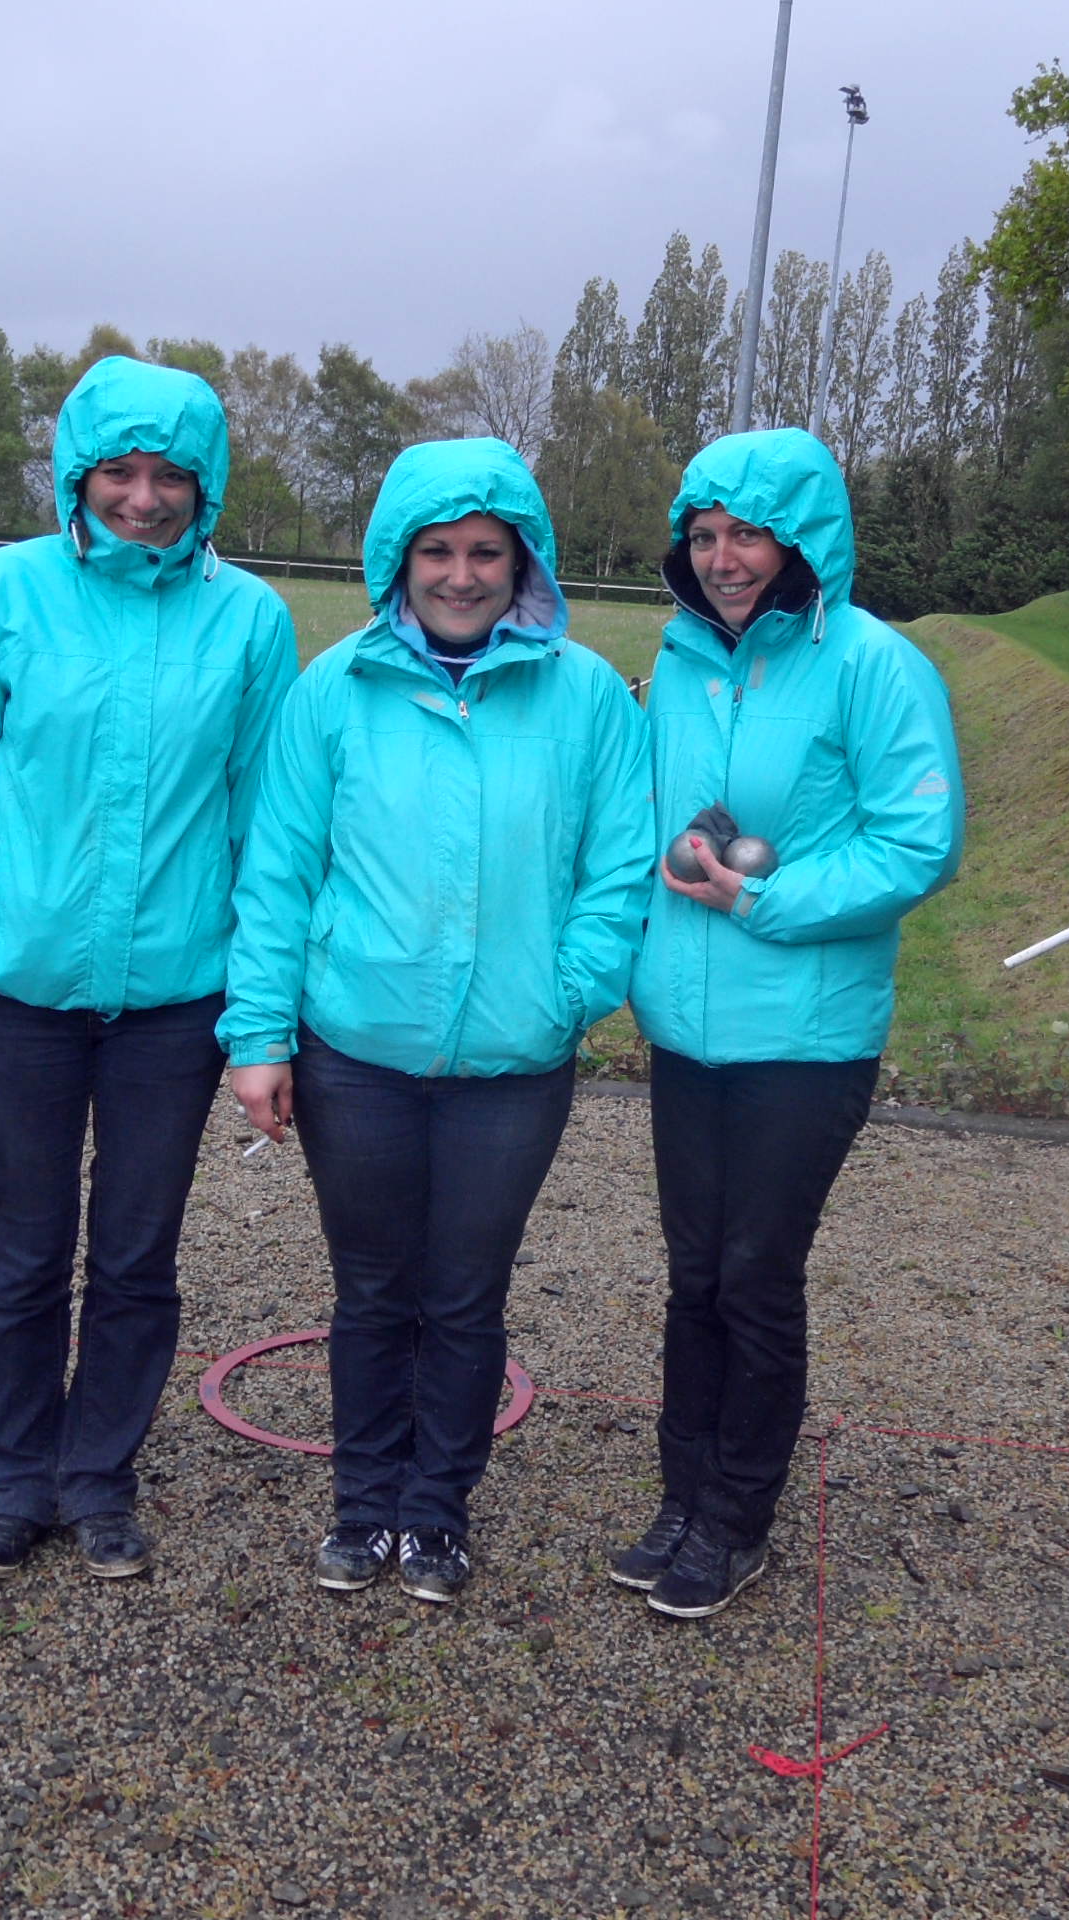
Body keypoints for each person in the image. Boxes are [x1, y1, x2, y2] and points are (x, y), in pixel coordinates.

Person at [0, 355, 298, 1583]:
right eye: (119, 471)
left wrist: (263, 1005)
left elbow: (269, 825)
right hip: (15, 989)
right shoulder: (0, 594)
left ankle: (99, 1477)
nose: (144, 498)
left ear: (206, 485)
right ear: (78, 474)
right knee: (23, 1254)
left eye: (171, 475)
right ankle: (12, 1480)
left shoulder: (250, 622)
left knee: (135, 1256)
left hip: (173, 997)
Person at [220, 438, 651, 1604]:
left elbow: (618, 869)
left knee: (464, 1296)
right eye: (438, 551)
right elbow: (278, 875)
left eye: (486, 553)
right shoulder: (333, 692)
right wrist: (259, 1037)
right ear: (398, 562)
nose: (461, 575)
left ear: (524, 563)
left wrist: (567, 992)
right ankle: (363, 1507)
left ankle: (437, 1514)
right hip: (356, 1055)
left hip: (512, 1065)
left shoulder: (587, 699)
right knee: (372, 1293)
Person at [615, 427, 963, 1619]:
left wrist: (764, 898)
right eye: (704, 535)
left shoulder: (873, 664)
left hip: (805, 1039)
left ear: (802, 542)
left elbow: (919, 842)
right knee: (693, 1276)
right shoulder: (679, 664)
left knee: (755, 1276)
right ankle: (681, 1496)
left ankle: (736, 1518)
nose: (722, 559)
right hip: (686, 1031)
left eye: (748, 536)